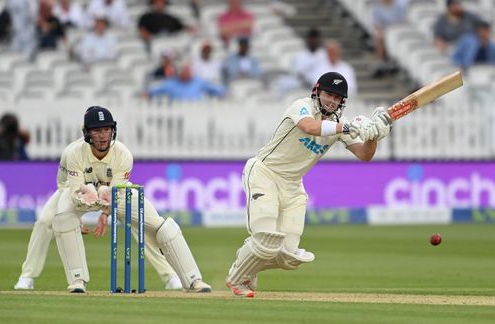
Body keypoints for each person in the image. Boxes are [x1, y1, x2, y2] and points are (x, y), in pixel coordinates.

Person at [225, 72, 392, 297]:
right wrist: (347, 127)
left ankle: (249, 261)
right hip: (265, 173)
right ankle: (238, 278)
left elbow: (364, 154)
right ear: (317, 91)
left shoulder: (337, 125)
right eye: (328, 94)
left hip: (293, 186)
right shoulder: (301, 106)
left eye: (337, 98)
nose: (332, 101)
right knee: (265, 238)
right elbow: (309, 127)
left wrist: (373, 137)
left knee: (288, 256)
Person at [15, 106, 211, 293]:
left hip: (113, 192)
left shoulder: (123, 154)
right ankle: (58, 279)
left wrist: (105, 213)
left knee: (155, 224)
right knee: (53, 220)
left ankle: (189, 278)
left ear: (113, 130)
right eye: (97, 130)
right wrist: (78, 215)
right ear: (87, 133)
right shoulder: (73, 153)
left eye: (107, 129)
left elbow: (115, 192)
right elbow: (67, 187)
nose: (103, 135)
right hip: (78, 192)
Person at [147, 62, 226, 101]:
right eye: (183, 70)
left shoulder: (199, 81)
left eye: (187, 70)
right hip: (177, 114)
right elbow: (152, 91)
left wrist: (223, 93)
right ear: (178, 71)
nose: (186, 72)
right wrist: (146, 94)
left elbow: (218, 90)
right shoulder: (170, 83)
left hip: (197, 113)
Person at [371, 0, 407, 77]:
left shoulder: (399, 6)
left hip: (399, 29)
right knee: (378, 36)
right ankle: (380, 60)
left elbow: (403, 20)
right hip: (386, 30)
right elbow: (378, 25)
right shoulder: (377, 8)